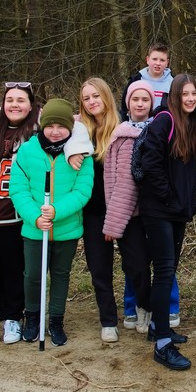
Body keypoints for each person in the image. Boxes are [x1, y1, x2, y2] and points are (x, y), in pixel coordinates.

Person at [10, 99, 94, 347]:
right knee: (33, 275)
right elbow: (17, 188)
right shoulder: (27, 151)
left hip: (66, 229)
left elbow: (83, 191)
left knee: (60, 275)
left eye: (61, 126)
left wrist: (55, 211)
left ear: (71, 127)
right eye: (50, 125)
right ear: (42, 126)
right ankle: (32, 317)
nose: (55, 131)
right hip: (35, 229)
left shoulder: (81, 154)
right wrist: (35, 217)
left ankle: (56, 320)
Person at [105, 80, 182, 335]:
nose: (140, 104)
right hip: (128, 213)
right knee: (135, 266)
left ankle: (163, 311)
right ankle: (143, 306)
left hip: (157, 209)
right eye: (135, 99)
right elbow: (112, 181)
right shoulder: (119, 135)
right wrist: (113, 220)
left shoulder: (161, 129)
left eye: (145, 100)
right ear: (127, 103)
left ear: (152, 104)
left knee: (163, 265)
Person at [138, 75, 196, 370]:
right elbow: (150, 163)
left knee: (168, 270)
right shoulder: (164, 120)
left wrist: (184, 204)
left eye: (194, 94)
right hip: (159, 210)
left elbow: (188, 173)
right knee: (164, 271)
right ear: (175, 95)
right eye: (185, 94)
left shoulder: (192, 124)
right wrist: (168, 198)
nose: (190, 98)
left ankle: (157, 326)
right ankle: (162, 344)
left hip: (177, 210)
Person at [79, 78, 122, 343]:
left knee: (136, 265)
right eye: (86, 98)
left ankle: (140, 309)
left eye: (96, 96)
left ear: (106, 96)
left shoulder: (121, 129)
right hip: (92, 211)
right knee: (99, 269)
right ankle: (108, 320)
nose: (92, 102)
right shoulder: (78, 131)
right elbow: (45, 126)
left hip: (122, 208)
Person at [120, 42, 173, 120]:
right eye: (154, 59)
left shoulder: (173, 83)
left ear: (167, 63)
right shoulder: (136, 80)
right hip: (137, 127)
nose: (158, 63)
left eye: (162, 60)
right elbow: (124, 108)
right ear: (148, 60)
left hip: (163, 128)